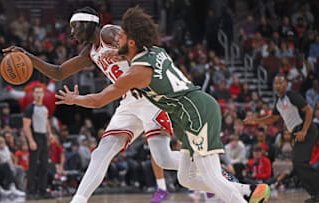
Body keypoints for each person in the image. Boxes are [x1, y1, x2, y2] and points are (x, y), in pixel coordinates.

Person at [54, 6, 270, 203]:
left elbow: (101, 99)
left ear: (131, 41)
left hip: (194, 110)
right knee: (184, 176)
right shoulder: (154, 53)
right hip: (179, 111)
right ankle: (243, 189)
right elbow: (62, 72)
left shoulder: (136, 69)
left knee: (209, 173)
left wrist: (76, 100)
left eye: (121, 38)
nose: (116, 41)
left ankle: (242, 192)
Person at [3, 7, 180, 203]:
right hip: (129, 101)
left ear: (88, 24)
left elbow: (136, 46)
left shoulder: (108, 33)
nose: (72, 32)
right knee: (100, 153)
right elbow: (59, 72)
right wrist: (29, 57)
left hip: (149, 95)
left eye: (75, 27)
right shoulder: (90, 51)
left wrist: (132, 64)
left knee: (165, 159)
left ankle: (209, 167)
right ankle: (78, 200)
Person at [245, 74, 319, 202]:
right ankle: (315, 194)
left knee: (299, 162)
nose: (278, 85)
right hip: (296, 132)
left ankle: (317, 193)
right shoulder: (279, 102)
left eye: (281, 82)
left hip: (306, 129)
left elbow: (309, 110)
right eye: (276, 83)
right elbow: (272, 118)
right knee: (298, 164)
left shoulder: (292, 96)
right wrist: (255, 121)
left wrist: (304, 130)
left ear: (286, 84)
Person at [22, 86, 52, 197]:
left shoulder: (45, 108)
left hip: (43, 137)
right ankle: (30, 191)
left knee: (45, 165)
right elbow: (26, 126)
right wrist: (31, 141)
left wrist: (50, 134)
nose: (39, 94)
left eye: (40, 92)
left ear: (43, 94)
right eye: (37, 92)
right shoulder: (30, 108)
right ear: (33, 95)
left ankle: (42, 191)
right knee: (33, 166)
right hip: (35, 136)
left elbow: (46, 123)